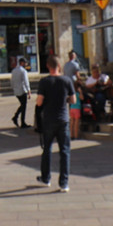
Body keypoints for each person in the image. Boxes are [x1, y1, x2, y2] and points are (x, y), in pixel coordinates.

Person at [35, 54, 76, 193]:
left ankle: (46, 178)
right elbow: (73, 100)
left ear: (48, 66)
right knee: (65, 151)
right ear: (60, 66)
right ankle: (64, 183)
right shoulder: (67, 80)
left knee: (47, 149)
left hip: (48, 120)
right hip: (63, 119)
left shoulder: (45, 81)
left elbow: (39, 102)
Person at [11, 57, 31, 128]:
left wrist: (13, 88)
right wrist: (29, 91)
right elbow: (26, 81)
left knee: (22, 105)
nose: (26, 64)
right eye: (25, 63)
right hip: (23, 90)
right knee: (24, 106)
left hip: (16, 91)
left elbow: (12, 81)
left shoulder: (14, 70)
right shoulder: (23, 71)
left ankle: (16, 117)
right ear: (22, 63)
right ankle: (22, 122)